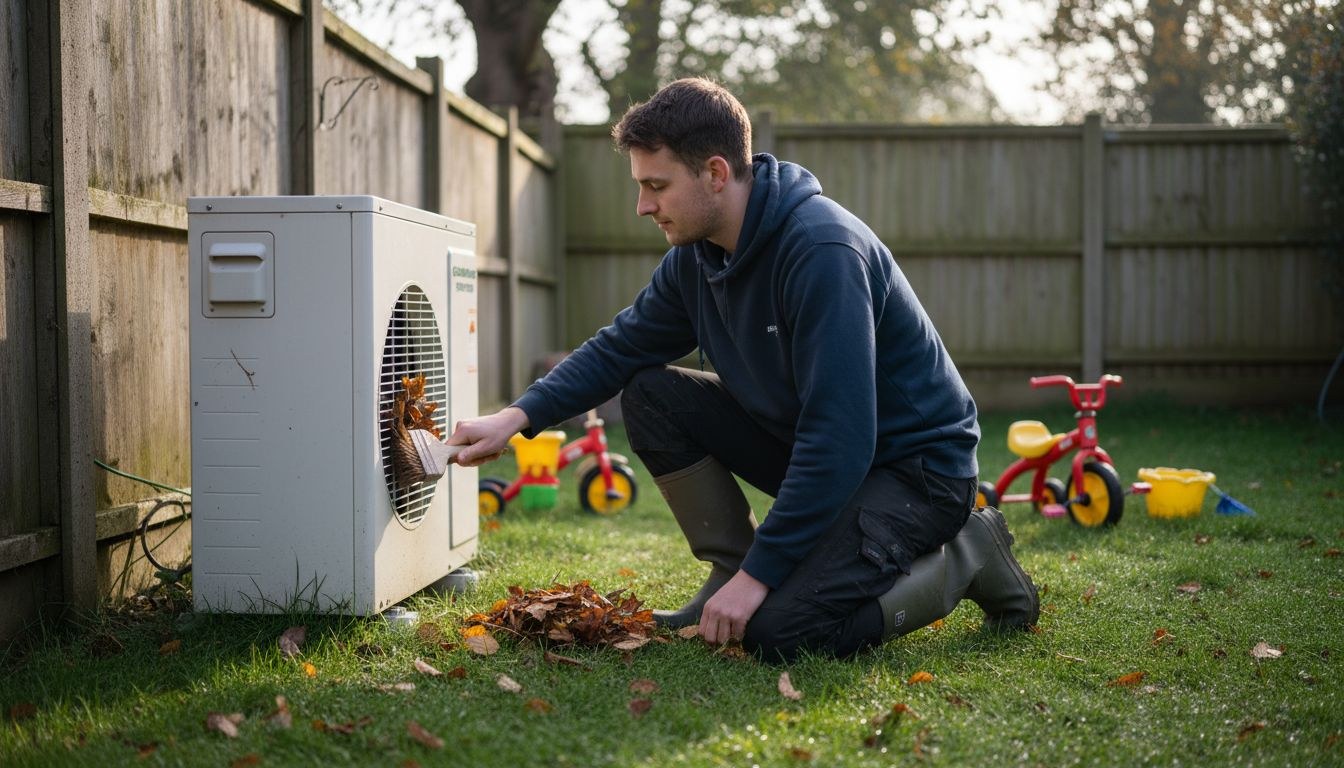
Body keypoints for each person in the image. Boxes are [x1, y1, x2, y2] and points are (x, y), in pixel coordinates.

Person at [447, 77, 1038, 662]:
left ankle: (968, 552)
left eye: (657, 186)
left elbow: (840, 437)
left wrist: (762, 579)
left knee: (778, 630)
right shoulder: (695, 258)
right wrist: (515, 417)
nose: (643, 206)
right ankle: (725, 569)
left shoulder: (823, 253)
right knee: (652, 393)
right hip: (820, 451)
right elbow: (620, 348)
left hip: (916, 474)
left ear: (715, 173)